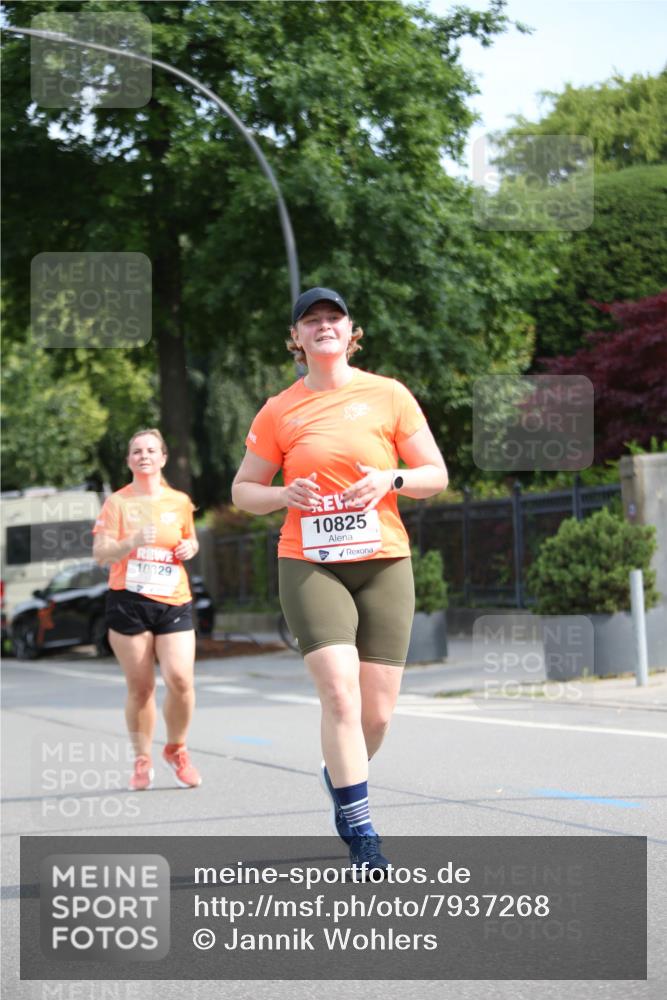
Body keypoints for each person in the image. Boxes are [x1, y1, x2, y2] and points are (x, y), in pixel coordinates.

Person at [232, 287, 448, 872]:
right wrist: (282, 492)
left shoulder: (388, 394)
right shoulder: (280, 409)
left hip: (383, 560)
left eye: (333, 318)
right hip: (310, 560)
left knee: (375, 715)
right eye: (311, 321)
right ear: (296, 339)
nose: (323, 326)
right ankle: (361, 830)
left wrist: (391, 481)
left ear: (350, 331)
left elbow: (435, 473)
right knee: (339, 694)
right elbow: (242, 490)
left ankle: (340, 777)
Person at [93, 428, 202, 792]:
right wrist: (132, 541)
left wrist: (190, 548)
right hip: (129, 601)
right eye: (136, 451)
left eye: (151, 450)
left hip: (173, 599)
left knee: (181, 680)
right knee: (141, 688)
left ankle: (177, 749)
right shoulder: (117, 504)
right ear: (129, 461)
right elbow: (101, 555)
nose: (144, 455)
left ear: (163, 458)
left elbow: (189, 538)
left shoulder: (180, 501)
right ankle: (142, 759)